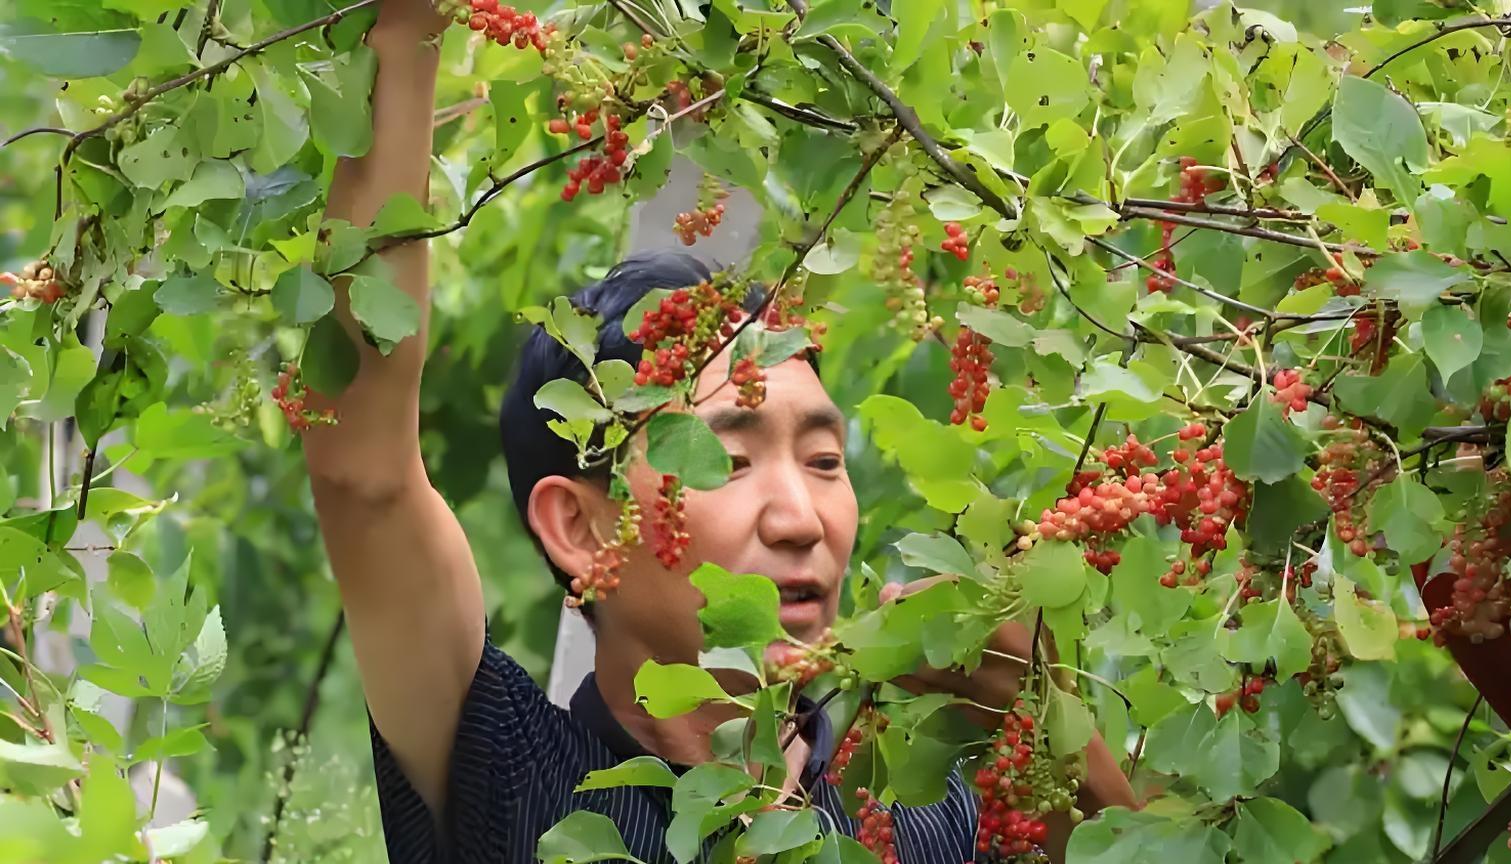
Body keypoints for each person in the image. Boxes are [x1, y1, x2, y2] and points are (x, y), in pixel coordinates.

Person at [302, 2, 1137, 862]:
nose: (801, 518)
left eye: (822, 460)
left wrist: (1046, 727)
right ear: (580, 528)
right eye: (730, 459)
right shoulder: (514, 778)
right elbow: (362, 473)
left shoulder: (923, 813)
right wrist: (408, 30)